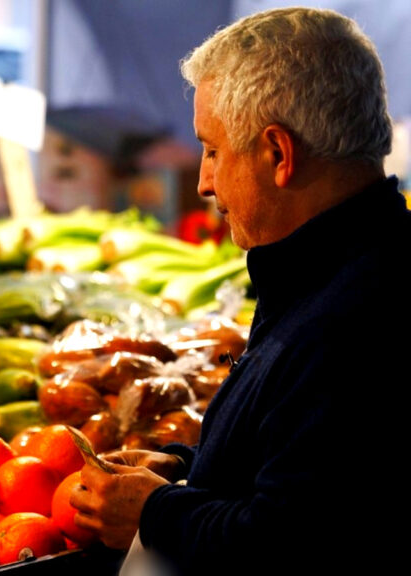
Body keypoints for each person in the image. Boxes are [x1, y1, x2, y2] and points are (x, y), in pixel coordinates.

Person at [70, 7, 411, 576]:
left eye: (212, 150)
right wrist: (185, 471)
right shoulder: (329, 270)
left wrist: (155, 512)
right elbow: (311, 469)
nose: (204, 183)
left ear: (278, 154)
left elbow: (288, 542)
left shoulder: (354, 319)